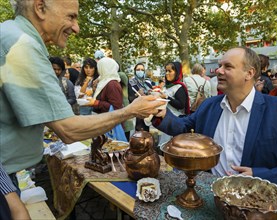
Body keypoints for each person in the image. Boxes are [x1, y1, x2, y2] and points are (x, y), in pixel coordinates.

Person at [0, 0, 164, 193]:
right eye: (71, 16)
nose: (76, 28)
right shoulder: (22, 45)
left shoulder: (11, 35)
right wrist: (131, 110)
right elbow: (68, 130)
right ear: (40, 7)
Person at [152, 47, 277, 204]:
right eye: (219, 66)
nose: (218, 71)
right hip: (213, 201)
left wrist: (258, 176)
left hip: (262, 205)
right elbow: (183, 126)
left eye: (228, 66)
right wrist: (161, 114)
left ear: (249, 73)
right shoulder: (209, 105)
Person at [128, 63, 154, 132]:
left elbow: (153, 96)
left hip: (147, 112)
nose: (140, 71)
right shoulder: (131, 83)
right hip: (137, 112)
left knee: (147, 132)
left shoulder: (147, 83)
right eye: (138, 69)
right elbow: (130, 98)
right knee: (138, 134)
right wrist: (137, 94)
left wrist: (151, 93)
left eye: (142, 70)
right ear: (135, 71)